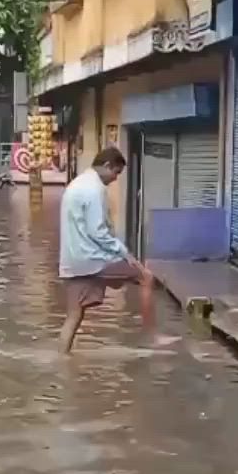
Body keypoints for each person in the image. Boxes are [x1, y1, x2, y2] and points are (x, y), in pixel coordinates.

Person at [58, 146, 158, 354]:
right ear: (106, 166)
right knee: (146, 277)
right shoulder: (95, 189)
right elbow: (98, 232)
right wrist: (125, 254)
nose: (115, 179)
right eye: (116, 173)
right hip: (93, 259)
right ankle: (153, 337)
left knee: (74, 315)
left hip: (73, 260)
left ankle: (61, 357)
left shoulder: (77, 184)